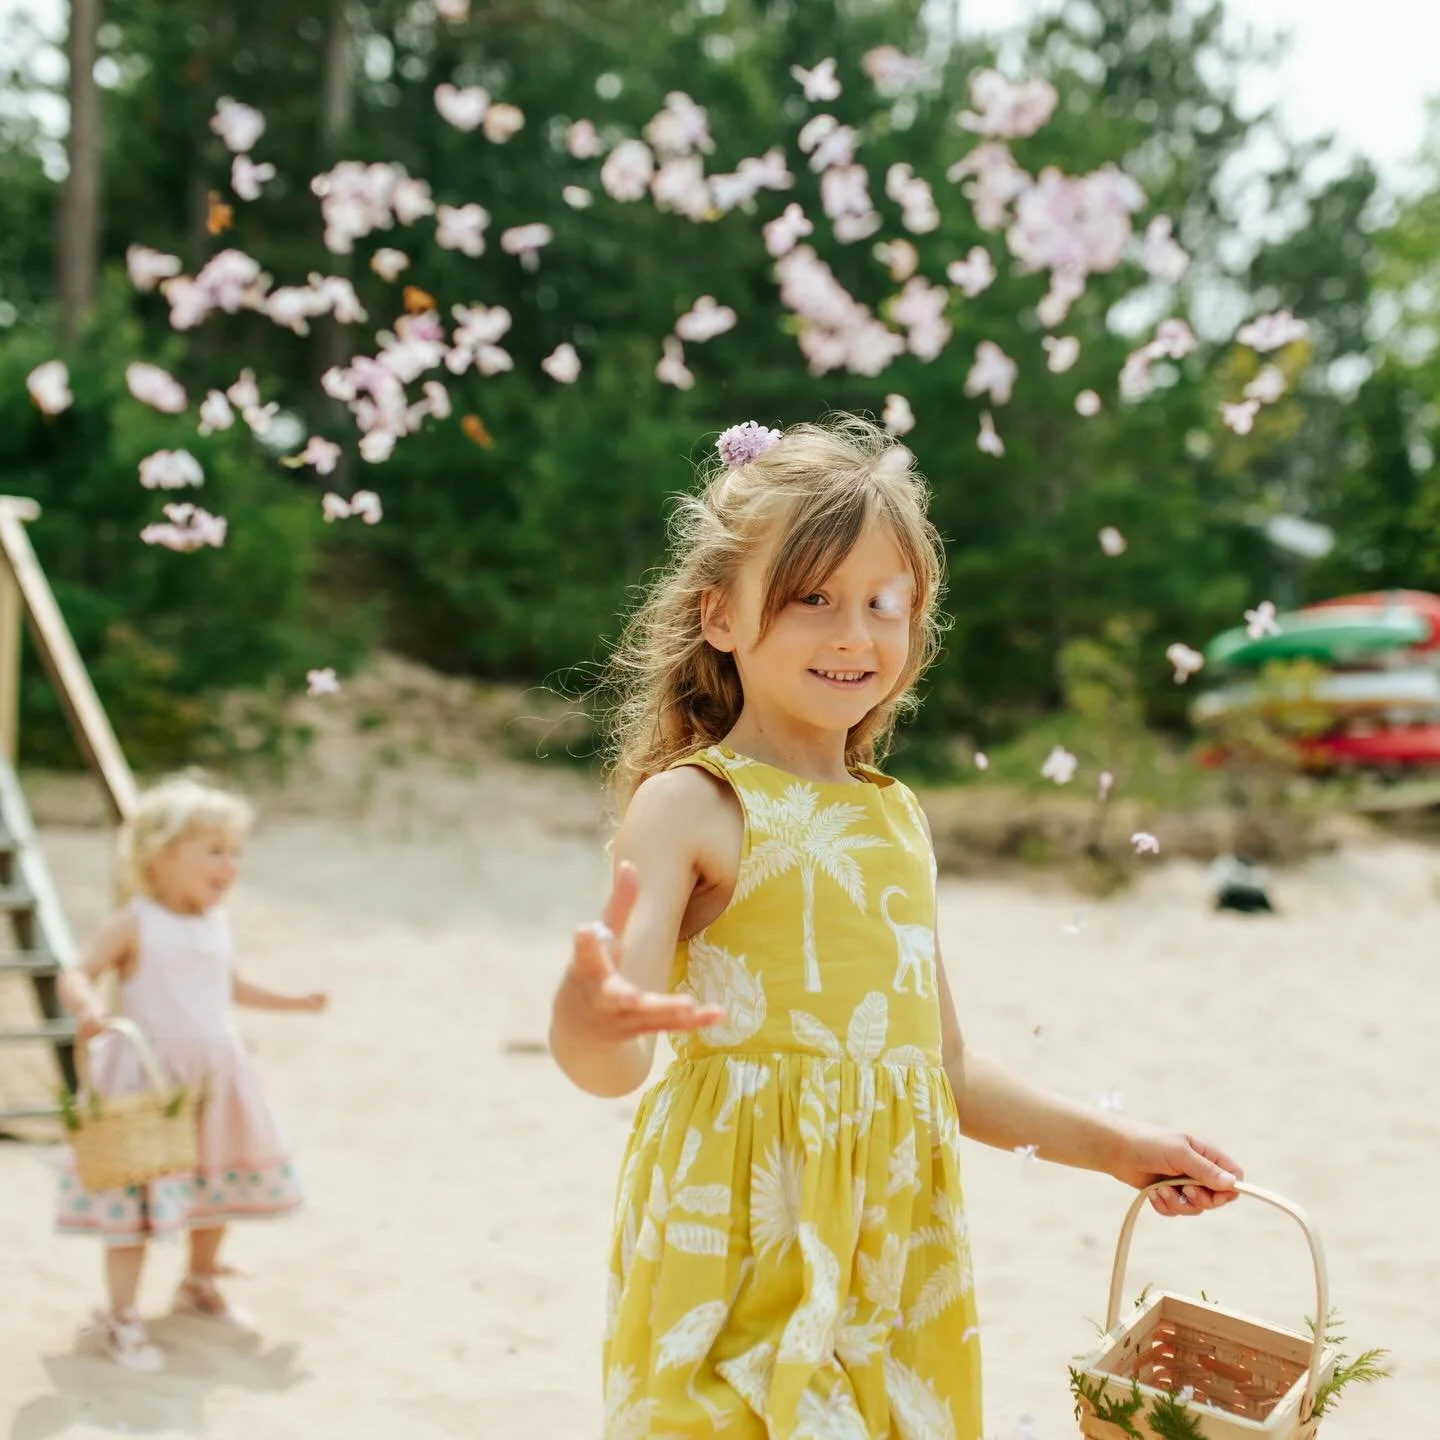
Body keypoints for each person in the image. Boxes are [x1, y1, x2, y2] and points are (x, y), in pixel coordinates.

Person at [549, 415, 1243, 1439]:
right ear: (722, 616)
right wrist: (594, 1013)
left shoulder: (895, 815)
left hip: (889, 1258)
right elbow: (611, 1065)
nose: (853, 634)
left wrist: (1115, 1147)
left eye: (885, 603)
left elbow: (944, 1069)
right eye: (813, 599)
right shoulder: (695, 803)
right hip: (737, 1249)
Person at [56, 773, 327, 1371]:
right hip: (149, 1079)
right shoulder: (133, 922)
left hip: (216, 1074)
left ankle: (198, 1281)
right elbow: (77, 970)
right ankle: (122, 1314)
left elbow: (226, 986)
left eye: (235, 852)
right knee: (134, 1193)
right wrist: (87, 1005)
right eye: (214, 850)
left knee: (214, 1184)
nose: (229, 864)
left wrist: (292, 1001)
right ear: (159, 854)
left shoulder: (215, 922)